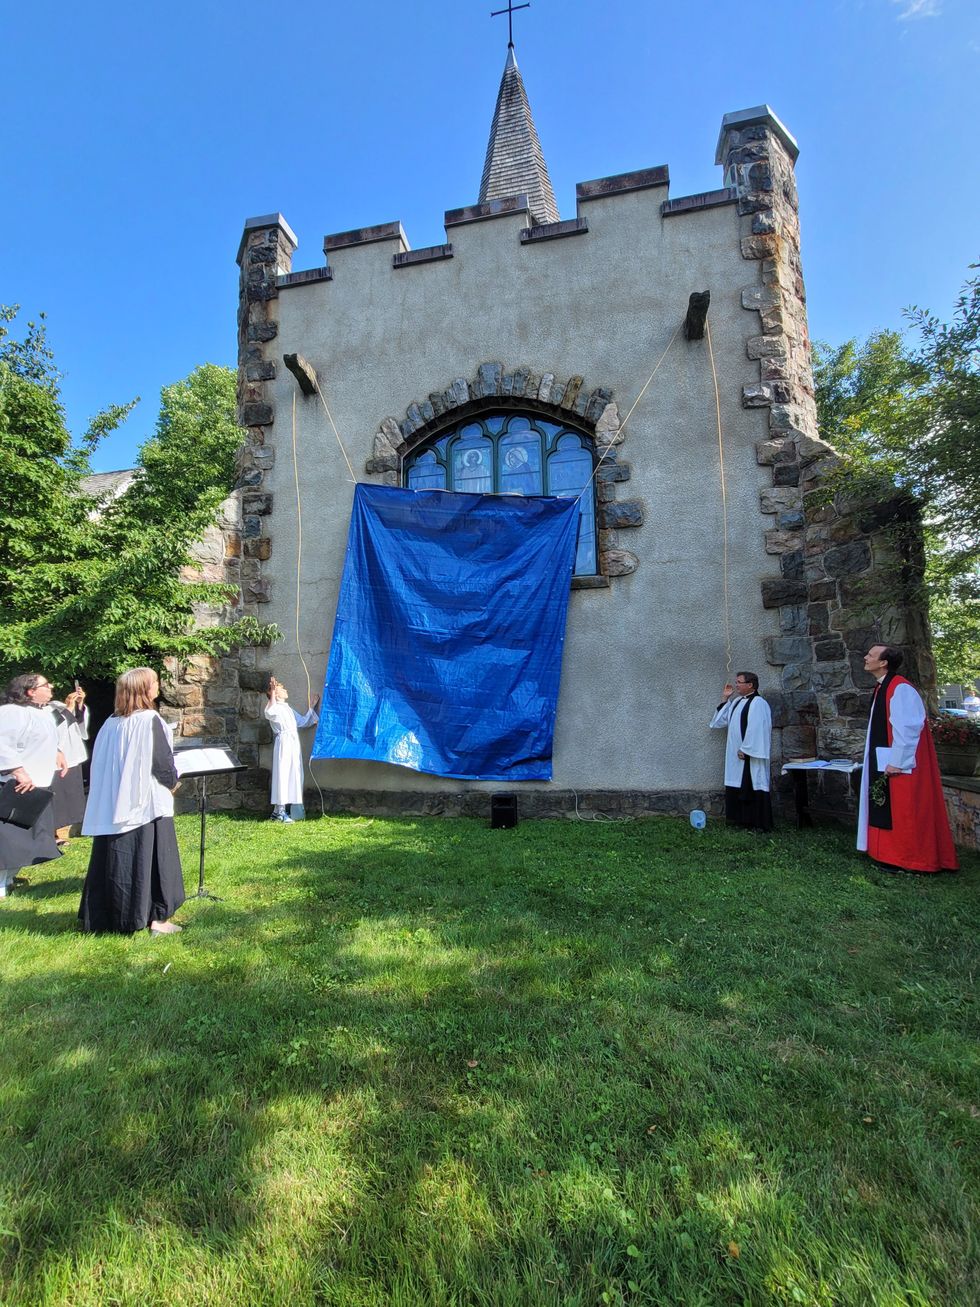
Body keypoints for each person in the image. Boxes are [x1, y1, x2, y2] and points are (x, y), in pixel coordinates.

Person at [78, 667, 186, 934]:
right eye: (154, 683)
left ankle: (109, 917)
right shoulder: (150, 719)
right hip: (144, 801)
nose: (158, 687)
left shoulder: (109, 723)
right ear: (143, 689)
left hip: (114, 801)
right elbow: (161, 762)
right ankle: (157, 919)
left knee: (113, 858)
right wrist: (173, 783)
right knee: (153, 860)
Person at [857, 645, 958, 874]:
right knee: (891, 809)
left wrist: (897, 761)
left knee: (906, 812)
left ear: (883, 663)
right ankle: (890, 854)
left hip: (902, 764)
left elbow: (909, 727)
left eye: (871, 655)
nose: (866, 657)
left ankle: (913, 859)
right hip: (886, 759)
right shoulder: (883, 687)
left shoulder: (900, 689)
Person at [0, 673, 68, 897]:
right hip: (15, 785)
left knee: (27, 839)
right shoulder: (11, 712)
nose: (51, 687)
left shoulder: (43, 713)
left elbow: (41, 739)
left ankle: (8, 879)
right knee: (9, 839)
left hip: (37, 785)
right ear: (30, 691)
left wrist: (57, 752)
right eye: (46, 685)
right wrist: (18, 771)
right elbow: (2, 743)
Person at [709, 671, 773, 831]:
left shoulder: (758, 703)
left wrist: (746, 749)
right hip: (735, 755)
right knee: (737, 784)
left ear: (750, 685)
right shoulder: (737, 702)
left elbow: (758, 728)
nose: (736, 685)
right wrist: (725, 698)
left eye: (739, 682)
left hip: (750, 755)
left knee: (751, 784)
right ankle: (740, 820)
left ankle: (758, 823)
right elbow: (720, 722)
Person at [264, 678, 319, 822]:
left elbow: (302, 722)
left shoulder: (287, 708)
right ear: (275, 693)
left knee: (293, 773)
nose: (286, 690)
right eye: (282, 689)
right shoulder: (274, 708)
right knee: (283, 774)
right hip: (284, 744)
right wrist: (273, 690)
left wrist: (312, 708)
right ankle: (280, 812)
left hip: (293, 743)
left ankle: (280, 811)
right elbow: (270, 712)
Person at [48, 684, 89, 845]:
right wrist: (68, 708)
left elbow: (78, 724)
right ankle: (50, 834)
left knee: (68, 799)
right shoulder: (35, 711)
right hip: (53, 760)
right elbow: (53, 729)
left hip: (71, 757)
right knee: (53, 799)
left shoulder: (56, 705)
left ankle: (59, 833)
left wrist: (78, 705)